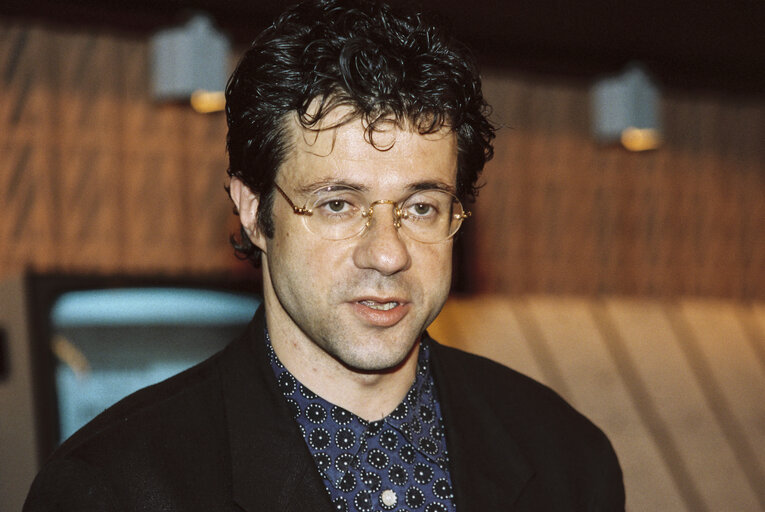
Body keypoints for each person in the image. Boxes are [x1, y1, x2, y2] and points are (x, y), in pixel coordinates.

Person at [24, 0, 625, 510]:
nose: (388, 255)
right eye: (338, 204)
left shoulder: (569, 460)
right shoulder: (109, 489)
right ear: (256, 211)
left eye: (421, 207)